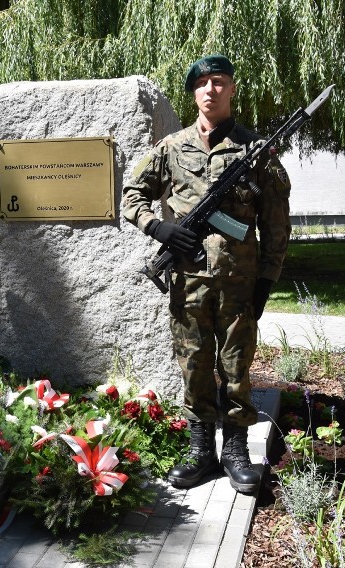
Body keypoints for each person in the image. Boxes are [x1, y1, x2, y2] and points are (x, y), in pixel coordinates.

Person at [122, 54, 291, 494]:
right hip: (187, 282)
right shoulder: (172, 149)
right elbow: (131, 196)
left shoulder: (256, 151)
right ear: (194, 93)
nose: (210, 90)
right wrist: (160, 227)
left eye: (219, 82)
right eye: (202, 84)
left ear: (232, 89)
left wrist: (267, 281)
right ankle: (201, 453)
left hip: (239, 284)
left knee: (236, 369)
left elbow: (276, 224)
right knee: (194, 366)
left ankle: (235, 453)